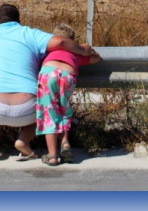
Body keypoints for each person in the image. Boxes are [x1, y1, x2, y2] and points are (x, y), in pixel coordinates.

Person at [0, 3, 97, 160]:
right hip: (28, 110)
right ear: (19, 20)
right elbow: (60, 42)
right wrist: (83, 50)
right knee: (45, 106)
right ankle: (24, 140)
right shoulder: (30, 34)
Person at [36, 23, 101, 165]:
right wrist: (86, 49)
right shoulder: (76, 53)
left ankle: (52, 155)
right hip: (68, 75)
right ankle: (65, 143)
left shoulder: (48, 51)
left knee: (49, 111)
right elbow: (96, 58)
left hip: (49, 73)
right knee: (64, 110)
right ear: (72, 40)